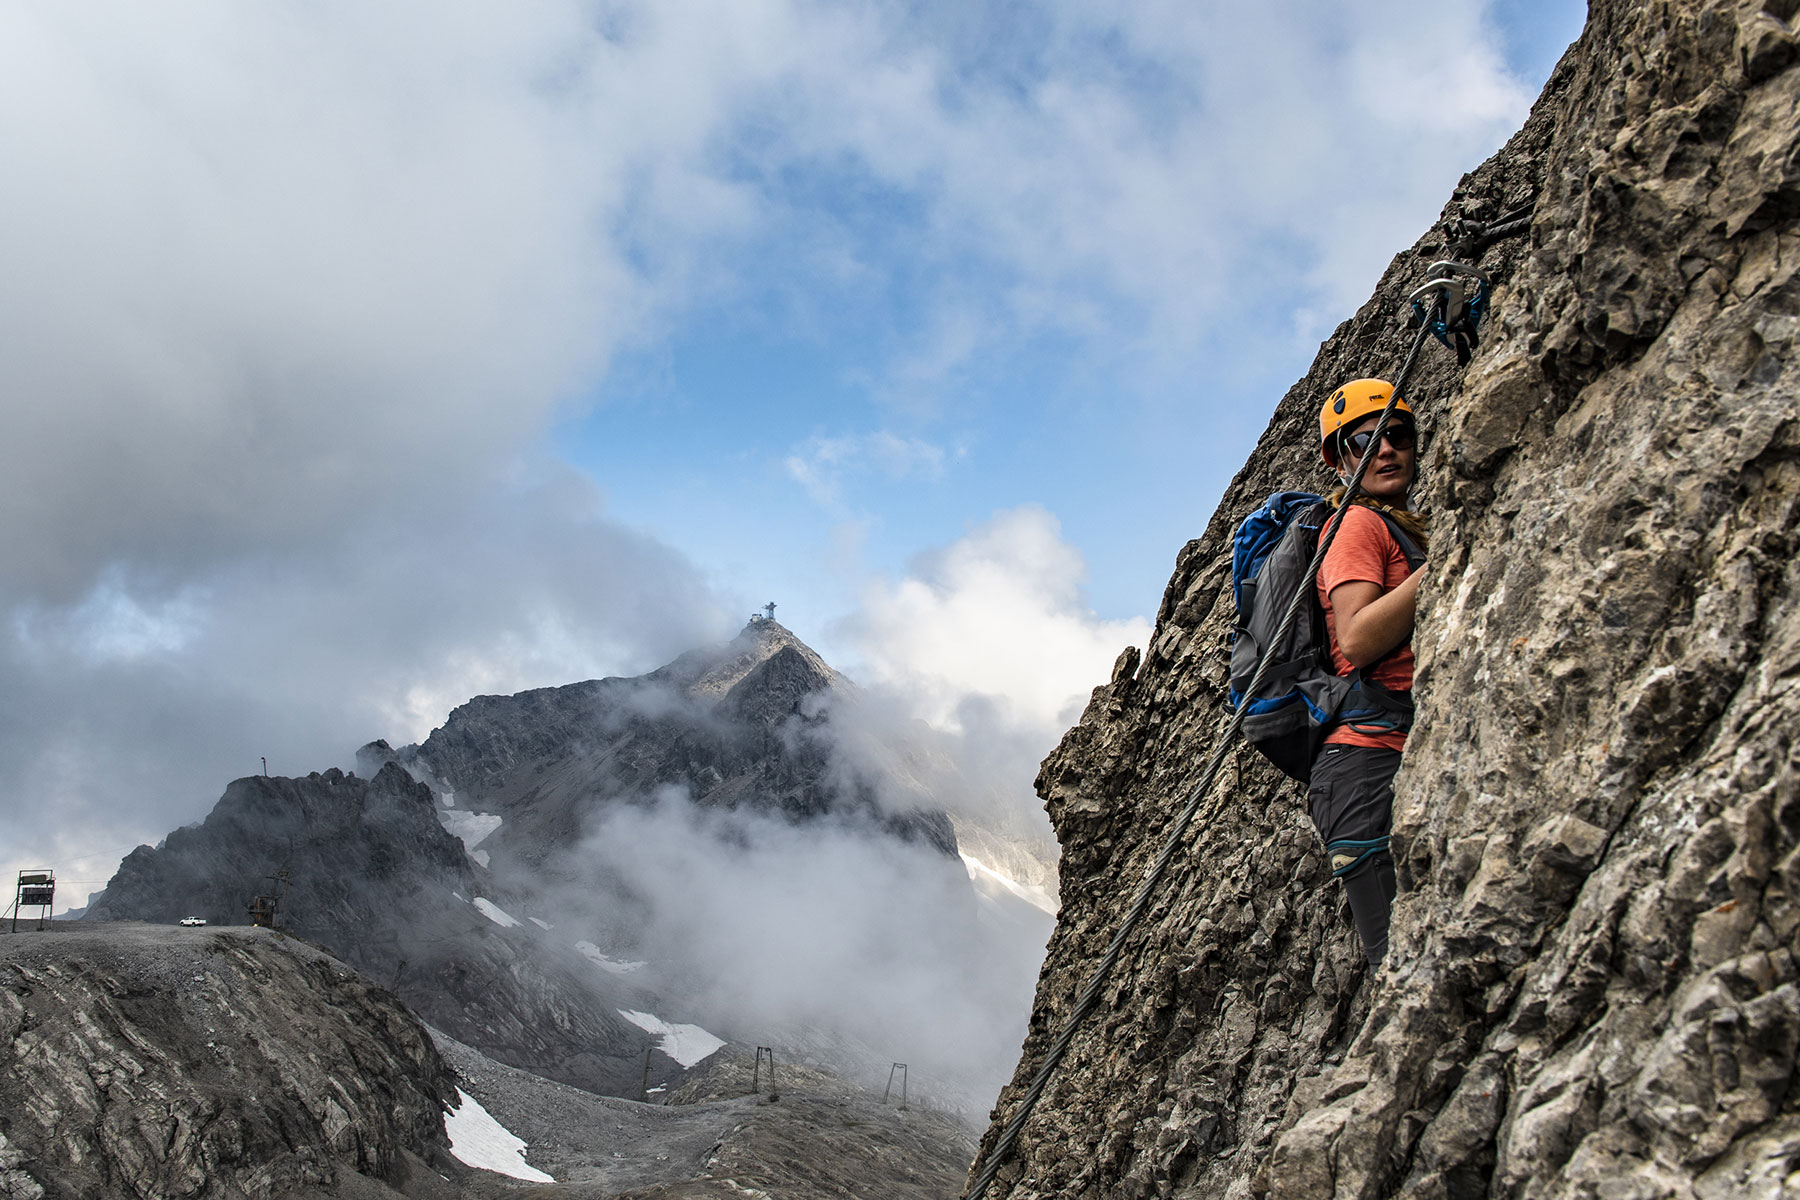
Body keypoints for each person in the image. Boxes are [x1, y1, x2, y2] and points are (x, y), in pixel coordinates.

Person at [1310, 378, 1428, 968]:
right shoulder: (1359, 524)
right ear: (1341, 459)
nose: (1386, 450)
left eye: (1398, 436)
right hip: (1365, 767)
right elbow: (1355, 639)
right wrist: (1439, 567)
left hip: (1372, 762)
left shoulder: (1396, 524)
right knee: (1400, 969)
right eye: (1367, 439)